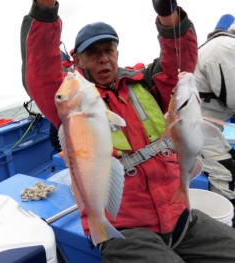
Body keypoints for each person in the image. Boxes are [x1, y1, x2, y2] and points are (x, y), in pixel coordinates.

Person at [21, 1, 235, 262]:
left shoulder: (144, 85)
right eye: (93, 53)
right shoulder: (72, 103)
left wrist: (168, 16)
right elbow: (41, 71)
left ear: (117, 52)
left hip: (178, 215)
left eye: (109, 50)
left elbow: (179, 62)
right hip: (126, 230)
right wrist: (44, 9)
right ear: (77, 59)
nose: (103, 58)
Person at [194, 14, 235, 210]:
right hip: (195, 128)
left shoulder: (223, 45)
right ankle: (226, 222)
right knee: (225, 174)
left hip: (207, 125)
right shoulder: (225, 49)